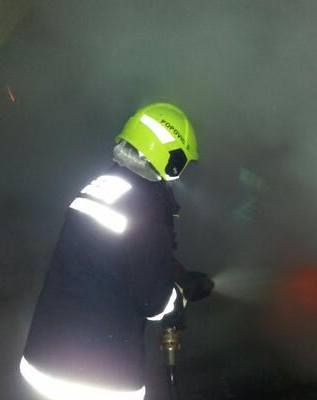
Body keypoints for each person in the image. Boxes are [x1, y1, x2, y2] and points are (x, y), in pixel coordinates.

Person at [20, 102, 211, 400]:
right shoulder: (148, 207)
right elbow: (155, 304)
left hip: (42, 360)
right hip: (99, 377)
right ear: (171, 159)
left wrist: (169, 267)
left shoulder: (103, 185)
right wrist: (182, 292)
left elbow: (111, 252)